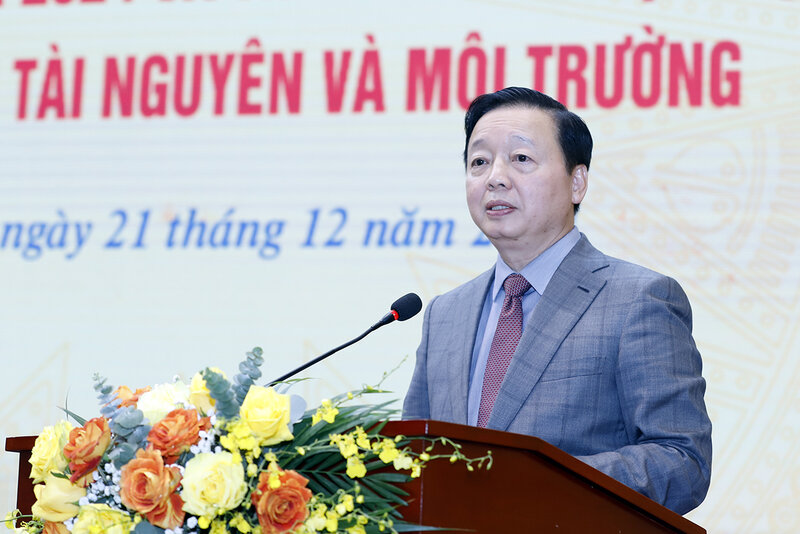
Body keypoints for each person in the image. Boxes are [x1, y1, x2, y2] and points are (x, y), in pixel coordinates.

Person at [402, 87, 712, 515]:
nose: (495, 176)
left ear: (577, 182)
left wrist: (542, 481)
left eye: (521, 159)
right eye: (479, 161)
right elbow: (409, 458)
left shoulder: (638, 299)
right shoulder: (444, 314)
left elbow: (683, 462)